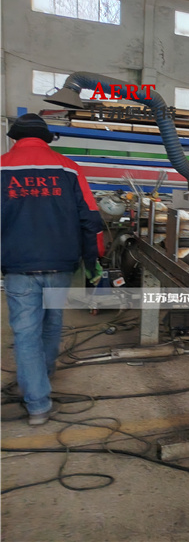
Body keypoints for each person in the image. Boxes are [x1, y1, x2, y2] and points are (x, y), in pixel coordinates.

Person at [1, 113, 105, 425]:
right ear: (46, 139)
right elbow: (91, 219)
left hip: (18, 265)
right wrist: (92, 262)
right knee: (51, 323)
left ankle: (37, 404)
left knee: (26, 332)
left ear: (14, 138)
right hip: (60, 264)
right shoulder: (68, 168)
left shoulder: (2, 166)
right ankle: (41, 377)